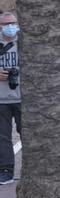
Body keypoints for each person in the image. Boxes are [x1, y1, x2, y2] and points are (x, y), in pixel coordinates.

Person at [0, 13, 18, 185]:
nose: (10, 26)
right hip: (2, 100)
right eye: (6, 24)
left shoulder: (25, 43)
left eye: (13, 23)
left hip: (22, 99)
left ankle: (31, 168)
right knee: (3, 137)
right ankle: (6, 170)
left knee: (28, 133)